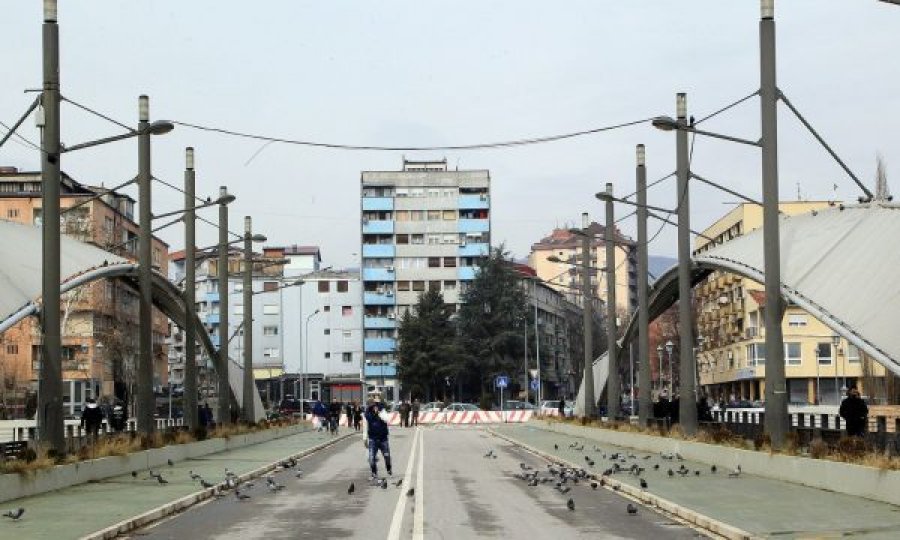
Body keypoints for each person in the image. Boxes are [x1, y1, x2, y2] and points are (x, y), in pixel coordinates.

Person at [363, 397, 392, 479]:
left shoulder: (382, 410)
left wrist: (379, 413)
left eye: (373, 405)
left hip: (383, 438)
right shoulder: (367, 414)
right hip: (373, 439)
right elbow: (365, 427)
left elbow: (387, 419)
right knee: (371, 458)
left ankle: (388, 468)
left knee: (387, 456)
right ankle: (374, 472)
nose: (372, 407)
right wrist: (365, 439)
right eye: (370, 406)